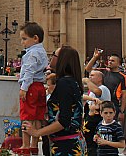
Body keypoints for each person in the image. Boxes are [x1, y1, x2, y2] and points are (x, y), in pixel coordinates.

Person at [23, 45, 87, 156]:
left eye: (54, 55)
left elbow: (64, 120)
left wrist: (36, 132)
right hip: (70, 143)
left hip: (66, 147)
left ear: (62, 60)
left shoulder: (64, 83)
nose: (51, 58)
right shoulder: (72, 82)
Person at [15, 22, 48, 155]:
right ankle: (34, 145)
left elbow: (29, 71)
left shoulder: (31, 53)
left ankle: (25, 145)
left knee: (27, 116)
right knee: (37, 116)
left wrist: (24, 87)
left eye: (24, 39)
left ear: (35, 38)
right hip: (39, 86)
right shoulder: (42, 51)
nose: (22, 42)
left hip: (31, 87)